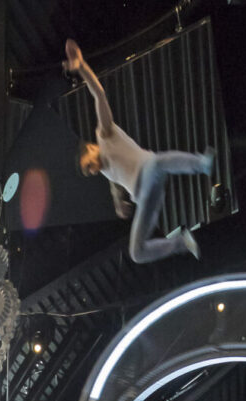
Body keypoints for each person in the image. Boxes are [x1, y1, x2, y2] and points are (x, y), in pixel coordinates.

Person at [64, 39, 215, 264]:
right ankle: (181, 243)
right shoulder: (105, 172)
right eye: (89, 173)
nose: (93, 171)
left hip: (150, 170)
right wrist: (118, 205)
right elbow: (114, 186)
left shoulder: (104, 134)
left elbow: (100, 95)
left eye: (88, 166)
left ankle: (202, 163)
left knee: (155, 163)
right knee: (136, 253)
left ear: (91, 149)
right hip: (146, 199)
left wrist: (82, 67)